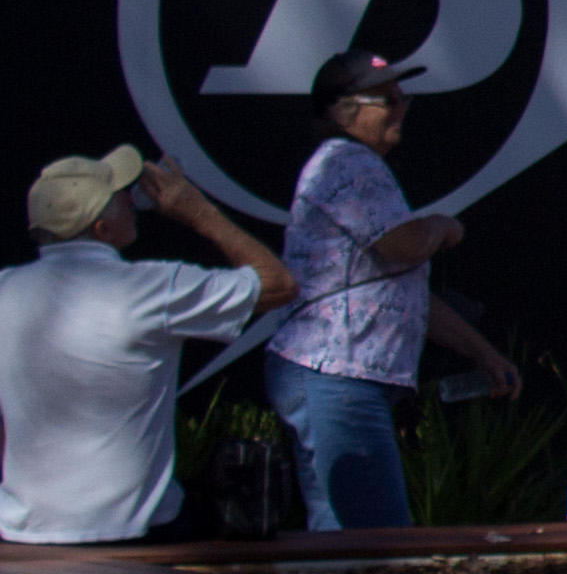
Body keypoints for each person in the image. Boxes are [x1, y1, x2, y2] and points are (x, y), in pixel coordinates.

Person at [270, 52, 520, 531]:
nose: (402, 107)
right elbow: (405, 246)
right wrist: (441, 226)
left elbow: (404, 290)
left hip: (335, 378)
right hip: (337, 379)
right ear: (345, 111)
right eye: (387, 99)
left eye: (403, 97)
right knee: (377, 545)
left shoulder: (353, 166)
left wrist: (483, 352)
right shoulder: (349, 164)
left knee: (343, 547)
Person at [3, 151, 294, 544]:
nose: (132, 199)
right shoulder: (154, 287)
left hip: (21, 530)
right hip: (133, 533)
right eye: (122, 194)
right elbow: (278, 283)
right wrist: (197, 211)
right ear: (103, 229)